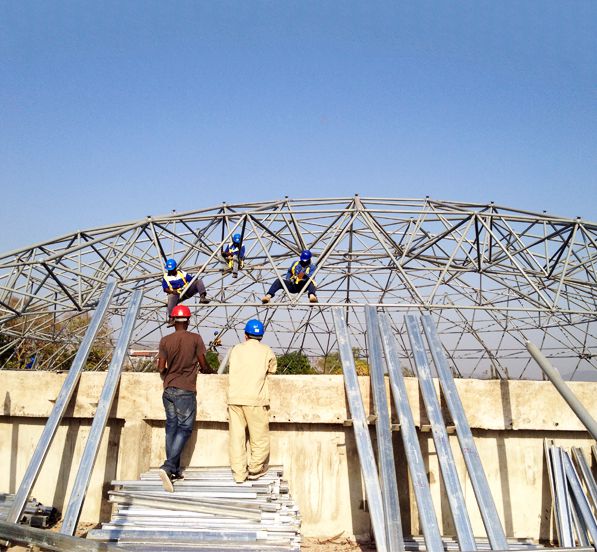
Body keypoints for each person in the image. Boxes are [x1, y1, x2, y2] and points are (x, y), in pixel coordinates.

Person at [157, 304, 210, 492]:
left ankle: (175, 470)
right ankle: (169, 465)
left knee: (171, 427)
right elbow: (203, 364)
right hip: (185, 389)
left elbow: (161, 368)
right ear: (188, 320)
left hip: (168, 389)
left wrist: (170, 371)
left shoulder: (165, 340)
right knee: (185, 428)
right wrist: (209, 371)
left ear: (173, 320)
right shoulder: (195, 339)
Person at [227, 319, 277, 483]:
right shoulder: (266, 350)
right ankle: (255, 469)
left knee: (237, 438)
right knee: (259, 437)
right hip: (255, 399)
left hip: (234, 398)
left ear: (245, 335)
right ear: (261, 335)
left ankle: (239, 474)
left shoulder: (236, 349)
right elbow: (273, 369)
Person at [162, 258, 209, 325]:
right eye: (169, 270)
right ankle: (171, 318)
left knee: (198, 281)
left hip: (187, 291)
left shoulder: (181, 273)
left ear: (175, 268)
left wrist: (200, 272)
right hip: (176, 294)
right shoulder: (166, 277)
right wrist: (172, 292)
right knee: (171, 297)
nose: (170, 271)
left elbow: (192, 280)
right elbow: (165, 289)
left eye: (172, 270)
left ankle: (202, 297)